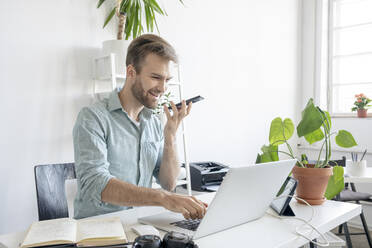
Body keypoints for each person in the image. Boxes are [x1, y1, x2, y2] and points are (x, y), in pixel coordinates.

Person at [73, 34, 207, 220]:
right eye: (155, 77)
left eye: (167, 80)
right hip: (98, 230)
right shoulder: (92, 118)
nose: (163, 88)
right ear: (131, 72)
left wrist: (170, 138)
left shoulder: (152, 122)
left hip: (138, 225)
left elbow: (169, 183)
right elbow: (95, 184)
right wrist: (162, 198)